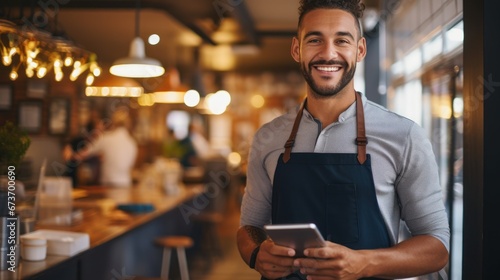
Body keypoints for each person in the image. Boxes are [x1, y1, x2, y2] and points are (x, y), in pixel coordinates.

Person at [236, 1, 450, 279]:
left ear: (360, 49)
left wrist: (365, 263)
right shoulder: (267, 138)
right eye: (315, 40)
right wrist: (256, 253)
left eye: (342, 40)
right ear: (296, 49)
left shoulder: (404, 135)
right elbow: (248, 228)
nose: (328, 53)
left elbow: (437, 246)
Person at [73, 108, 138, 187]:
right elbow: (130, 166)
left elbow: (83, 154)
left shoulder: (106, 138)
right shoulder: (132, 143)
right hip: (125, 183)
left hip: (108, 183)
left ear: (113, 123)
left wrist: (72, 155)